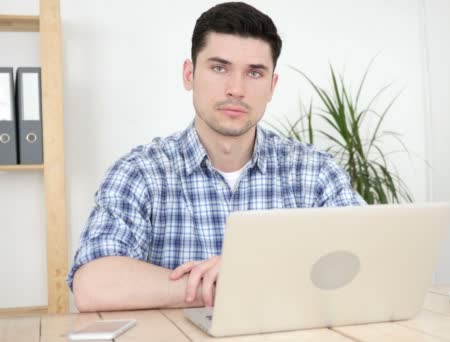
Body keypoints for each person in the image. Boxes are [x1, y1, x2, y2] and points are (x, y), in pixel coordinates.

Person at [68, 2, 365, 312]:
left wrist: (247, 276)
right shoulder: (140, 173)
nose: (236, 89)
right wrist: (233, 284)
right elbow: (93, 286)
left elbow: (369, 260)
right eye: (219, 68)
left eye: (254, 73)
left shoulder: (315, 173)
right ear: (189, 74)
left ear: (272, 86)